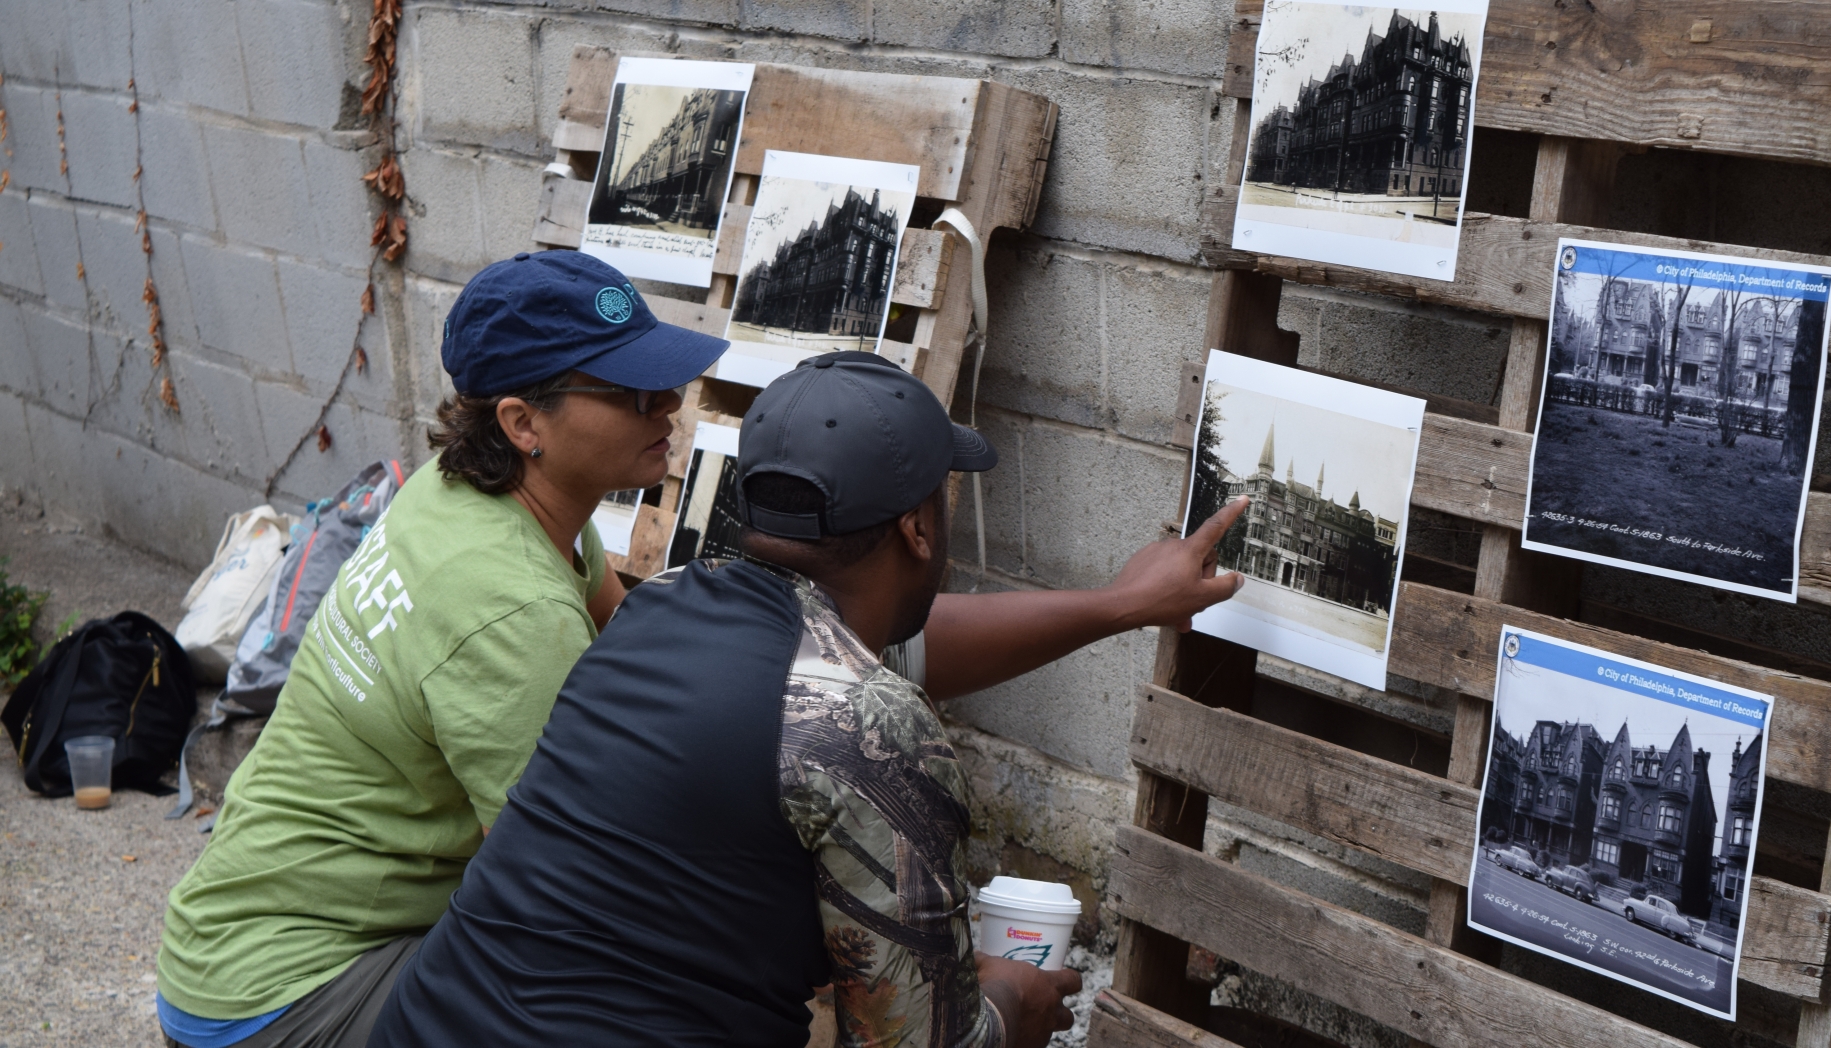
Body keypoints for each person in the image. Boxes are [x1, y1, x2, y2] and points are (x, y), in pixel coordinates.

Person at [369, 353, 1249, 1047]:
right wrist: (1009, 1003)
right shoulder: (868, 727)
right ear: (916, 528)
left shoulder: (664, 608)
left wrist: (1119, 606)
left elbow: (885, 653)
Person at [156, 251, 733, 1048]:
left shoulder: (465, 492)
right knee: (647, 979)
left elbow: (644, 649)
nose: (667, 403)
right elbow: (561, 889)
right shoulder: (511, 606)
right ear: (522, 422)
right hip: (281, 996)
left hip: (223, 937)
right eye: (632, 391)